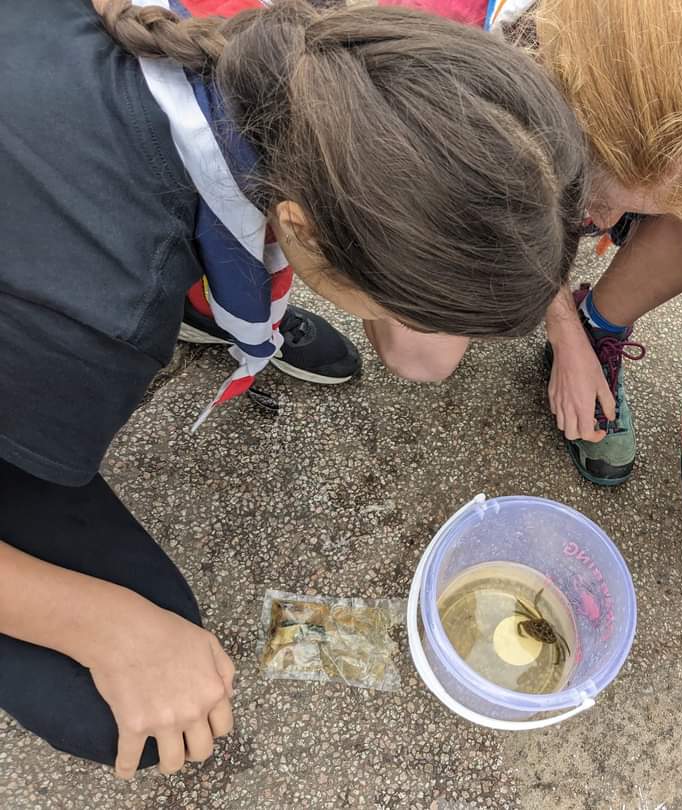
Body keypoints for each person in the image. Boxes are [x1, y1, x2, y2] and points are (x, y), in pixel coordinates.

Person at [0, 0, 585, 777]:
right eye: (414, 307)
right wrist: (106, 628)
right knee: (127, 705)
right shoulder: (96, 326)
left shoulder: (292, 72)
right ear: (301, 226)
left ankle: (205, 307)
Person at [380, 0, 682, 484]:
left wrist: (578, 333)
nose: (603, 224)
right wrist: (561, 330)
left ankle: (600, 322)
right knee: (421, 352)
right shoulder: (437, 37)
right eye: (594, 201)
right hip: (466, 119)